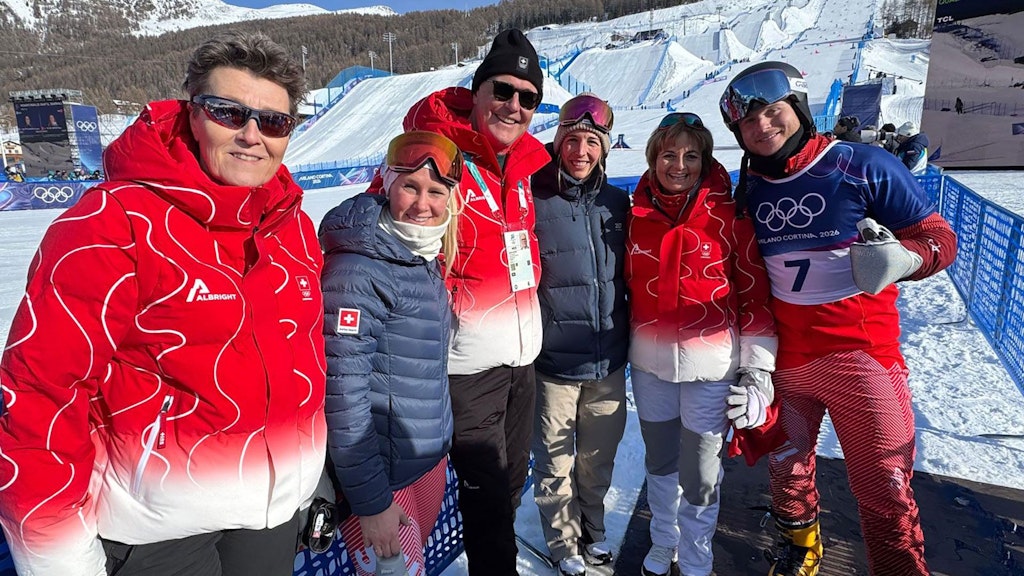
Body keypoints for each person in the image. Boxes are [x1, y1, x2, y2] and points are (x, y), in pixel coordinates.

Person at [0, 31, 325, 576]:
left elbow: (306, 365)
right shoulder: (112, 223)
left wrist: (315, 475)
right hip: (157, 531)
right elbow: (38, 395)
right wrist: (56, 553)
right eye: (228, 112)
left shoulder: (292, 227)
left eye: (273, 122)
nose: (251, 135)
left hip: (270, 516)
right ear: (191, 112)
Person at [719, 61, 956, 576]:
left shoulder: (861, 164)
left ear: (798, 108)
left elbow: (940, 239)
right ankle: (802, 550)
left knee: (882, 486)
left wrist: (907, 259)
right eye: (748, 123)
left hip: (861, 359)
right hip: (789, 362)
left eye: (773, 113)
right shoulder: (751, 184)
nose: (761, 128)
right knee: (787, 471)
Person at [365, 28, 550, 576]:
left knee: (511, 483)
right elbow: (387, 228)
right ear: (477, 91)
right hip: (467, 367)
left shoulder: (519, 170)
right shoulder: (439, 156)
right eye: (502, 90)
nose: (514, 105)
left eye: (527, 97)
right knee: (487, 500)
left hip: (522, 361)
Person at [626, 111, 778, 576]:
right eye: (668, 154)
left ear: (705, 159)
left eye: (691, 155)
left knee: (700, 474)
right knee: (660, 464)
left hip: (711, 368)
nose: (679, 165)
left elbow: (754, 295)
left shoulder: (729, 218)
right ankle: (663, 539)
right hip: (650, 367)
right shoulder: (634, 217)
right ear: (653, 159)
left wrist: (757, 371)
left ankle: (695, 557)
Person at [320, 131, 463, 576]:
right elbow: (344, 398)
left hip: (423, 462)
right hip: (384, 482)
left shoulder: (419, 256)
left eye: (436, 191)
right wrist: (372, 501)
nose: (423, 204)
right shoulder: (358, 270)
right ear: (386, 184)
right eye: (410, 187)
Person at [530, 94, 630, 576]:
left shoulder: (618, 202)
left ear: (605, 148)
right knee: (554, 463)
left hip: (607, 359)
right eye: (572, 140)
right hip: (553, 364)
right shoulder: (534, 197)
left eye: (592, 141)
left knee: (596, 460)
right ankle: (563, 542)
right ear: (558, 144)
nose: (581, 151)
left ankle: (592, 530)